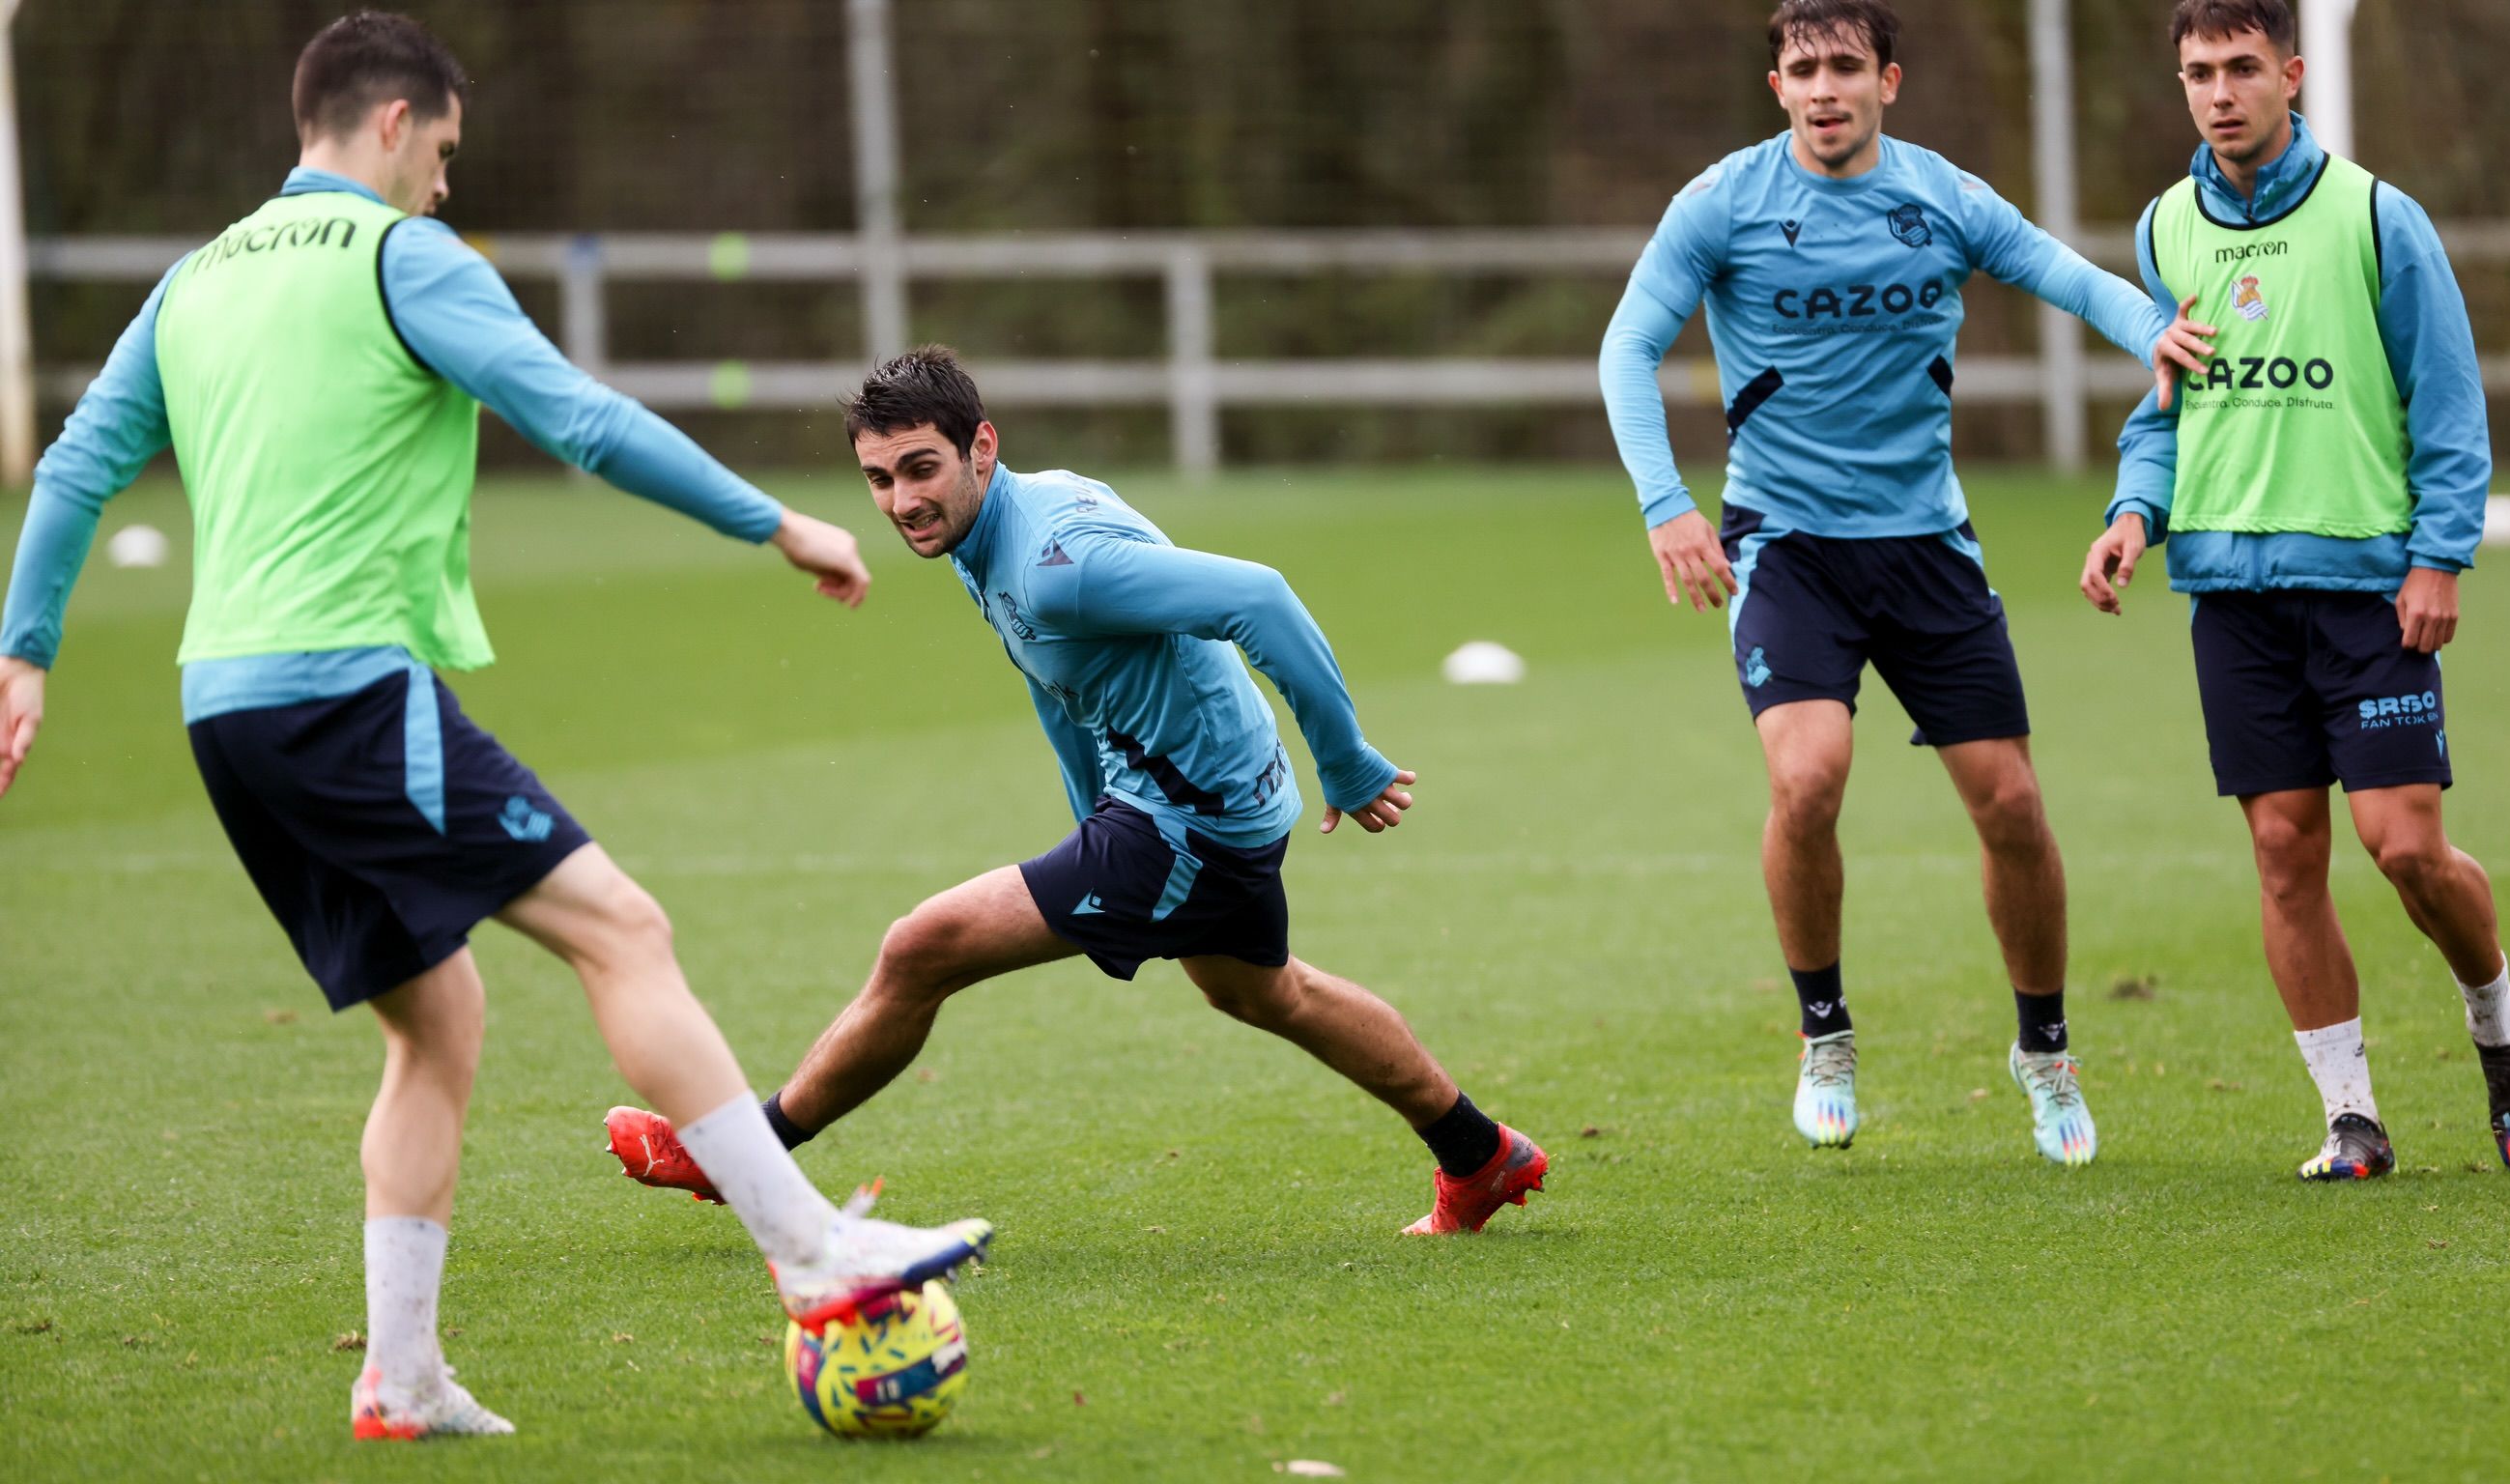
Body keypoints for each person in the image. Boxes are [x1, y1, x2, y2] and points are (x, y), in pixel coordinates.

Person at [0, 12, 991, 1440]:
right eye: (446, 151)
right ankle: (814, 1253)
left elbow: (78, 461)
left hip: (222, 709)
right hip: (342, 691)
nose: (448, 185)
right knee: (620, 930)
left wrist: (24, 653)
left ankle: (400, 1380)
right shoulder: (404, 257)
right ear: (394, 123)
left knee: (438, 1019)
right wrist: (772, 521)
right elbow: (578, 420)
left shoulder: (194, 279)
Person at [602, 346, 1549, 1236]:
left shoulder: (1058, 564)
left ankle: (744, 1158)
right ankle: (1480, 1155)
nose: (902, 502)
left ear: (983, 447)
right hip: (1195, 801)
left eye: (921, 469)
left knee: (920, 947)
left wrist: (1344, 759)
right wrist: (1091, 810)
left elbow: (1258, 597)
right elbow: (1064, 685)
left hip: (1191, 822)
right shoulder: (998, 529)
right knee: (1267, 995)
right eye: (880, 479)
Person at [1596, 0, 2213, 1163]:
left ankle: (2046, 1051)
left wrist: (2152, 332)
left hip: (1927, 546)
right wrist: (1666, 504)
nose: (1824, 88)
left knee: (2015, 810)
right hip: (1787, 546)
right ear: (1776, 86)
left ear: (1888, 79)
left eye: (1844, 67)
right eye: (1801, 69)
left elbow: (2063, 276)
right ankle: (1824, 1034)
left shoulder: (1943, 196)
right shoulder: (1723, 202)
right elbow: (1627, 345)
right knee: (1811, 778)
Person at [2078, 0, 2510, 1181]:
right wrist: (2135, 512)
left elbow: (2446, 404)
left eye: (2243, 67)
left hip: (2366, 592)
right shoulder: (2164, 228)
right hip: (2231, 598)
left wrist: (2440, 555)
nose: (2221, 92)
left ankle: (2500, 1026)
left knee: (2403, 851)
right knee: (2286, 853)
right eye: (2199, 72)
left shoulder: (2379, 219)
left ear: (2292, 74)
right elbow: (2168, 404)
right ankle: (2351, 1117)